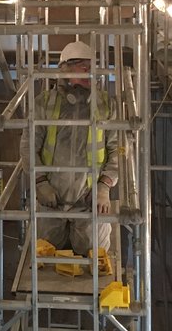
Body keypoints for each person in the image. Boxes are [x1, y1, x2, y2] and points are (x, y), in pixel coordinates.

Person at [22, 40, 118, 257]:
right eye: (82, 67)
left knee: (95, 256)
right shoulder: (44, 103)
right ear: (64, 70)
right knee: (45, 258)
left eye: (90, 68)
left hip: (89, 200)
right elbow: (28, 147)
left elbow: (118, 150)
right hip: (50, 199)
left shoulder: (106, 104)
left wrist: (104, 187)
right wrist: (40, 183)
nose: (87, 73)